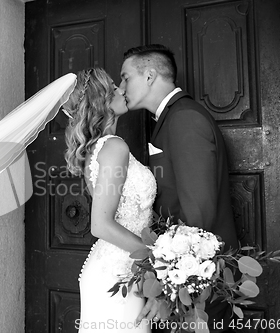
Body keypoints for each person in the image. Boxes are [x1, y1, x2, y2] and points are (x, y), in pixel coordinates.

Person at [119, 44, 239, 332]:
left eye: (126, 77)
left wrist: (167, 290)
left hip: (203, 283)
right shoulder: (170, 118)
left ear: (149, 76)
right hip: (188, 282)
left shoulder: (184, 117)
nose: (121, 86)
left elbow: (199, 215)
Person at [63, 68, 156, 332]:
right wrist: (155, 260)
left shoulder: (98, 148)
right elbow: (101, 225)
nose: (122, 90)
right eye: (115, 87)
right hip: (120, 275)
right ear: (100, 99)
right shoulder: (114, 147)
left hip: (118, 269)